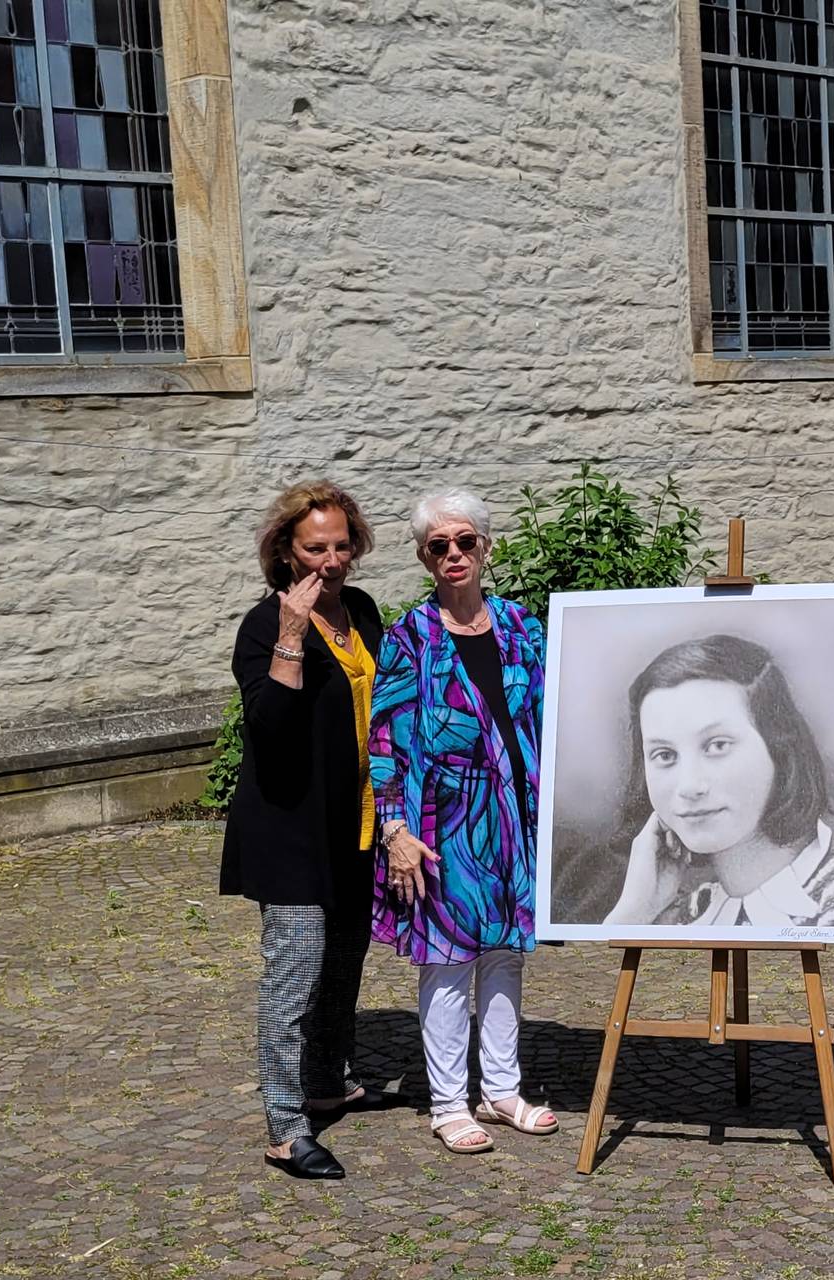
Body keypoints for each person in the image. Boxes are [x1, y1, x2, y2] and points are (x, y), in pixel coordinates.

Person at [369, 489, 556, 1154]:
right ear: (424, 558)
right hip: (439, 820)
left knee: (505, 954)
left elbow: (544, 718)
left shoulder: (520, 628)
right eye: (438, 546)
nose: (453, 555)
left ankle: (501, 1091)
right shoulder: (408, 638)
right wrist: (394, 832)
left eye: (464, 542)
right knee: (448, 960)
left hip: (512, 815)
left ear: (485, 546)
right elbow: (384, 740)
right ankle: (449, 1103)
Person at [221, 480, 391, 1181]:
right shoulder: (265, 626)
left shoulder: (362, 611)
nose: (331, 559)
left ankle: (328, 1081)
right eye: (314, 547)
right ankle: (287, 1129)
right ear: (286, 552)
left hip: (354, 825)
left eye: (341, 545)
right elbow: (271, 731)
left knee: (343, 965)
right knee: (294, 978)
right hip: (290, 830)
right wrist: (291, 640)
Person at [596, 634, 834, 929]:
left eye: (717, 746)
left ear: (779, 748)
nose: (689, 786)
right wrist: (634, 913)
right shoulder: (688, 915)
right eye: (664, 755)